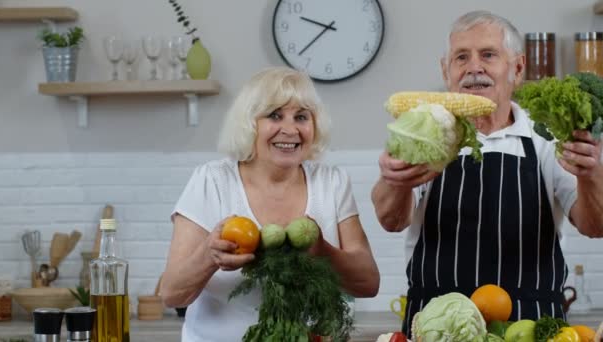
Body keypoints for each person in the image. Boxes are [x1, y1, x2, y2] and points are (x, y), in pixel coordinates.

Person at [371, 10, 603, 335]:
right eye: (461, 57)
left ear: (517, 68)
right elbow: (390, 220)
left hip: (530, 328)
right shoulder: (426, 132)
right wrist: (392, 181)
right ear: (445, 70)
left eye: (488, 55)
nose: (473, 67)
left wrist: (591, 175)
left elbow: (596, 226)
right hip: (438, 329)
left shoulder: (546, 136)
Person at [160, 66, 380, 341]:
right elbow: (171, 293)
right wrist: (209, 255)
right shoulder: (212, 180)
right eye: (275, 115)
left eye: (301, 117)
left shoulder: (331, 182)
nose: (290, 129)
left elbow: (368, 282)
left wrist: (322, 250)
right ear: (250, 123)